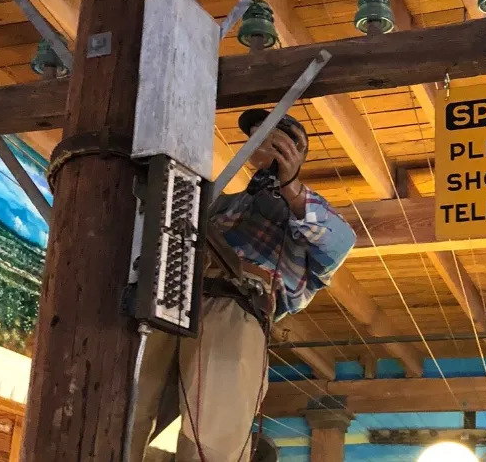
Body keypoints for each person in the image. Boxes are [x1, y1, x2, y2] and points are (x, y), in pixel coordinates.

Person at [129, 108, 356, 462]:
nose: (266, 144)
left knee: (212, 435)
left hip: (239, 305)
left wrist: (291, 187)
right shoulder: (224, 202)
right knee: (127, 405)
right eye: (259, 137)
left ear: (297, 154)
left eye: (280, 140)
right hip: (175, 292)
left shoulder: (309, 218)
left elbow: (339, 241)